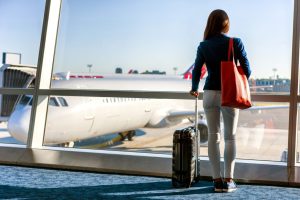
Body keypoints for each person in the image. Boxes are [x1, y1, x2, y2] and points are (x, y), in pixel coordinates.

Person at [189, 9, 251, 193]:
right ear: (226, 24)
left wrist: (194, 88)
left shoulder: (203, 45)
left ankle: (216, 181)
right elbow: (247, 69)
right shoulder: (235, 42)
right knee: (230, 137)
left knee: (213, 138)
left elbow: (197, 70)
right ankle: (229, 181)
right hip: (229, 94)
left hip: (209, 94)